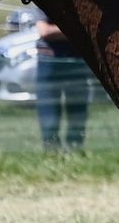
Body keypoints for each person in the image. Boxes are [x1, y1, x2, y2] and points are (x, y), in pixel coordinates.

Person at [33, 14, 89, 151]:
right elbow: (45, 31)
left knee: (78, 109)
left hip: (77, 61)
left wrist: (58, 31)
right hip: (49, 62)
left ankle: (75, 147)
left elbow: (86, 28)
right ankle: (51, 150)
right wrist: (73, 29)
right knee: (49, 109)